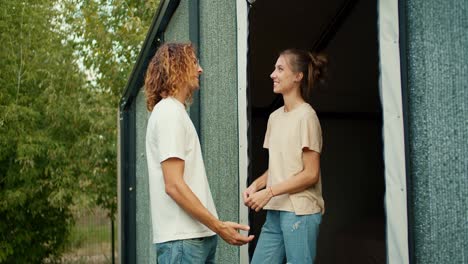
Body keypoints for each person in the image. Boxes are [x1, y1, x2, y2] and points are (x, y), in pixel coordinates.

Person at [145, 42, 254, 263]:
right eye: (194, 62)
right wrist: (219, 227)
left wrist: (214, 226)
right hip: (183, 242)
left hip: (194, 238)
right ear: (177, 66)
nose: (200, 69)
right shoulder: (168, 113)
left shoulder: (176, 112)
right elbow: (174, 185)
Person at [243, 49, 327, 263]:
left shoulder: (307, 117)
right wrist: (256, 186)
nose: (273, 74)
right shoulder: (274, 118)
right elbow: (282, 165)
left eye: (280, 69)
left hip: (300, 212)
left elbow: (310, 174)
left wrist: (269, 192)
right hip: (275, 211)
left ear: (298, 77)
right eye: (274, 69)